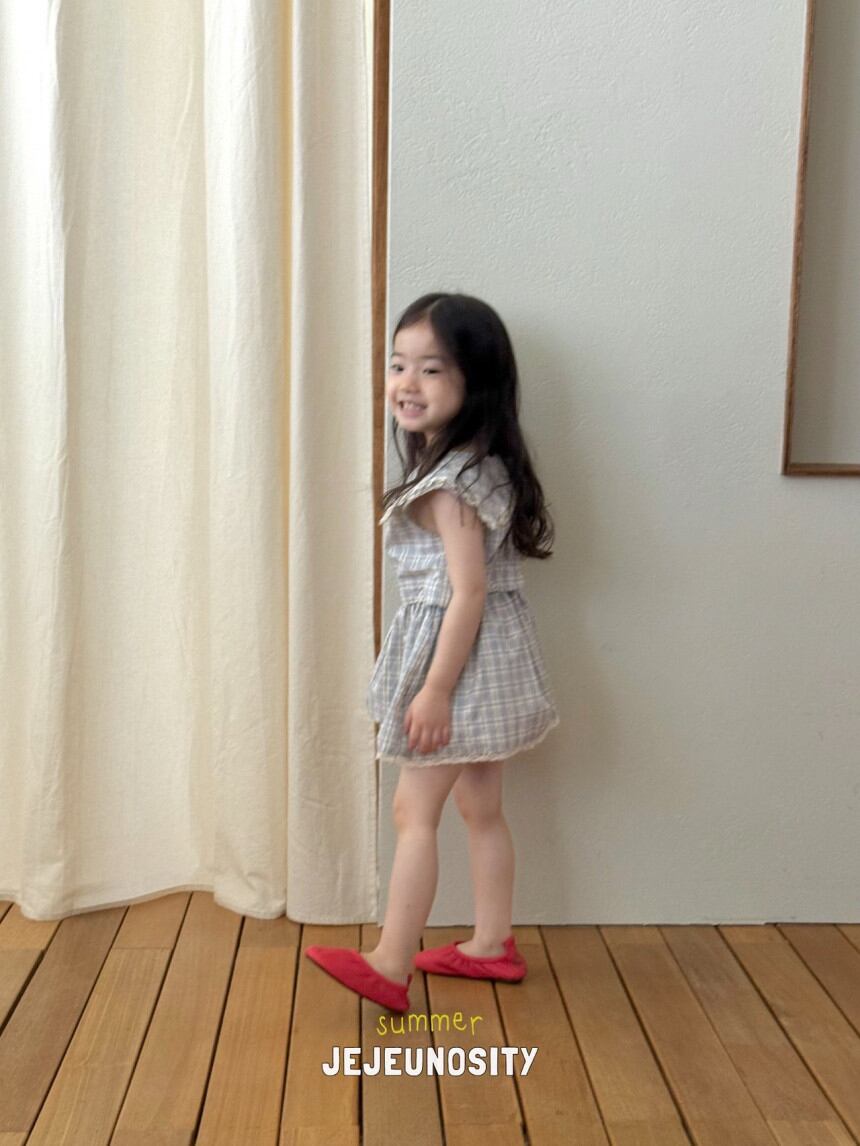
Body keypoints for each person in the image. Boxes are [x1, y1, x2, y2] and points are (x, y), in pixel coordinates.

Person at [305, 292, 560, 1012]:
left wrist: (437, 689)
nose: (407, 383)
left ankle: (391, 963)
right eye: (398, 365)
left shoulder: (450, 487)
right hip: (493, 660)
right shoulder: (481, 465)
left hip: (460, 664)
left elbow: (467, 593)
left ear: (474, 382)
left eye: (431, 369)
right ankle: (492, 944)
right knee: (482, 808)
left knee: (413, 813)